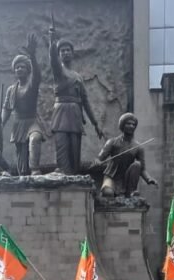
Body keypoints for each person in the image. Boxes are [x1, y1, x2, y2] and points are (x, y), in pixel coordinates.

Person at [47, 26, 104, 174]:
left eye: (68, 50)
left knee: (74, 154)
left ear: (72, 54)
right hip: (61, 115)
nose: (65, 52)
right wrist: (52, 42)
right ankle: (63, 177)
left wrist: (95, 124)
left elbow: (85, 101)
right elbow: (52, 60)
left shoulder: (78, 77)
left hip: (75, 116)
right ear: (59, 54)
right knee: (62, 151)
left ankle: (74, 179)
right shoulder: (58, 71)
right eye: (62, 51)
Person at [0, 34, 45, 176]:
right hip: (18, 124)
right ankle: (24, 176)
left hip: (32, 121)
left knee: (35, 138)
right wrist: (1, 123)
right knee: (22, 162)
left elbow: (37, 76)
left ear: (28, 70)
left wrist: (32, 56)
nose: (19, 69)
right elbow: (6, 108)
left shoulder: (32, 85)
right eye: (17, 67)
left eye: (22, 67)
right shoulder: (11, 90)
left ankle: (35, 169)